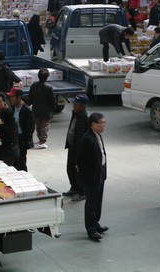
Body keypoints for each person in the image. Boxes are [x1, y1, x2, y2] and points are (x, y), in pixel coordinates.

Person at [78, 112, 109, 242]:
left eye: (104, 123)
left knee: (98, 201)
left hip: (100, 172)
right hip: (92, 176)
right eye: (101, 123)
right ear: (93, 124)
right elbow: (81, 160)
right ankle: (91, 229)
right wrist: (86, 175)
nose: (103, 126)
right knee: (91, 203)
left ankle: (96, 223)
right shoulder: (87, 139)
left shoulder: (98, 135)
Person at [63, 94, 90, 201]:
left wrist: (82, 152)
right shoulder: (75, 114)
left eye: (76, 104)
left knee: (79, 171)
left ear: (82, 106)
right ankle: (74, 188)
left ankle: (82, 192)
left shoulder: (85, 118)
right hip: (72, 147)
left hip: (79, 150)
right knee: (70, 169)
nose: (74, 106)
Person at [7, 88, 35, 172]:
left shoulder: (27, 111)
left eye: (12, 97)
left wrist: (25, 140)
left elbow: (30, 128)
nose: (11, 99)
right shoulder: (11, 108)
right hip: (13, 139)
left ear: (19, 97)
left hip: (21, 140)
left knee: (21, 163)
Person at [27, 68, 56, 149]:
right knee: (45, 125)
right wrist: (53, 107)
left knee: (38, 125)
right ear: (47, 77)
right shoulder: (49, 87)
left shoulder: (34, 85)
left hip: (36, 109)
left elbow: (30, 98)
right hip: (46, 110)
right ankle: (42, 141)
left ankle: (40, 138)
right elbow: (52, 99)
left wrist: (29, 103)